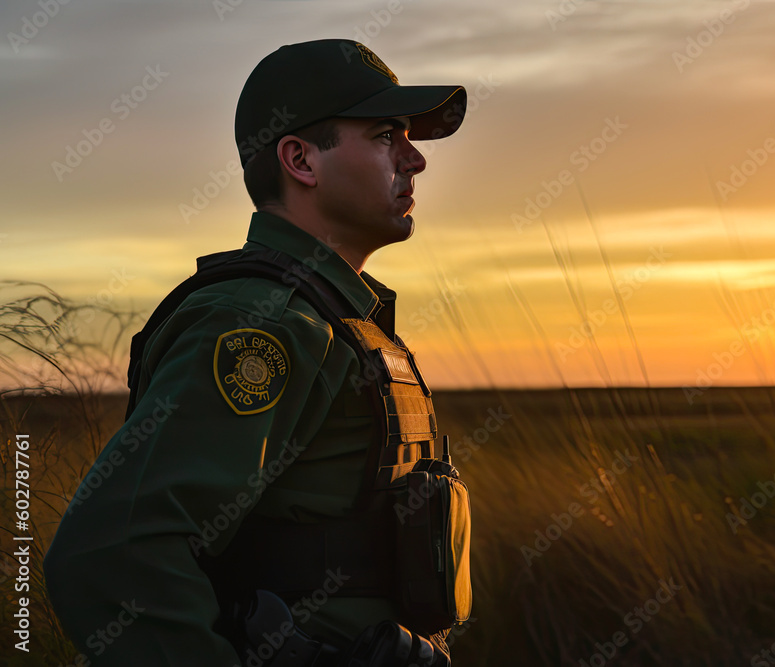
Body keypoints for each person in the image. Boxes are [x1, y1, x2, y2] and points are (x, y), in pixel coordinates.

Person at [43, 38, 472, 666]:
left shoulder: (338, 319)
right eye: (385, 135)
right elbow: (110, 553)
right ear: (300, 159)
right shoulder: (259, 323)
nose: (414, 160)